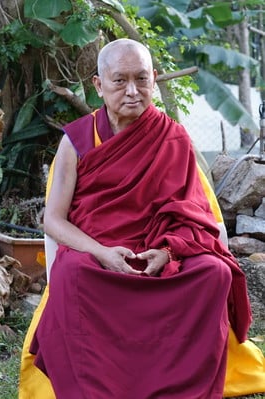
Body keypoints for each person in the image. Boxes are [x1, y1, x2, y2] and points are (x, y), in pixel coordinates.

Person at [25, 38, 253, 398]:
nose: (132, 91)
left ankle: (179, 388)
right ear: (99, 85)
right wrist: (101, 252)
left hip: (157, 254)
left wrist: (168, 252)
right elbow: (53, 220)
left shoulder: (172, 137)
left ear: (154, 80)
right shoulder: (78, 139)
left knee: (214, 272)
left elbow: (192, 213)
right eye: (120, 81)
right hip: (97, 254)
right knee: (72, 276)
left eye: (142, 80)